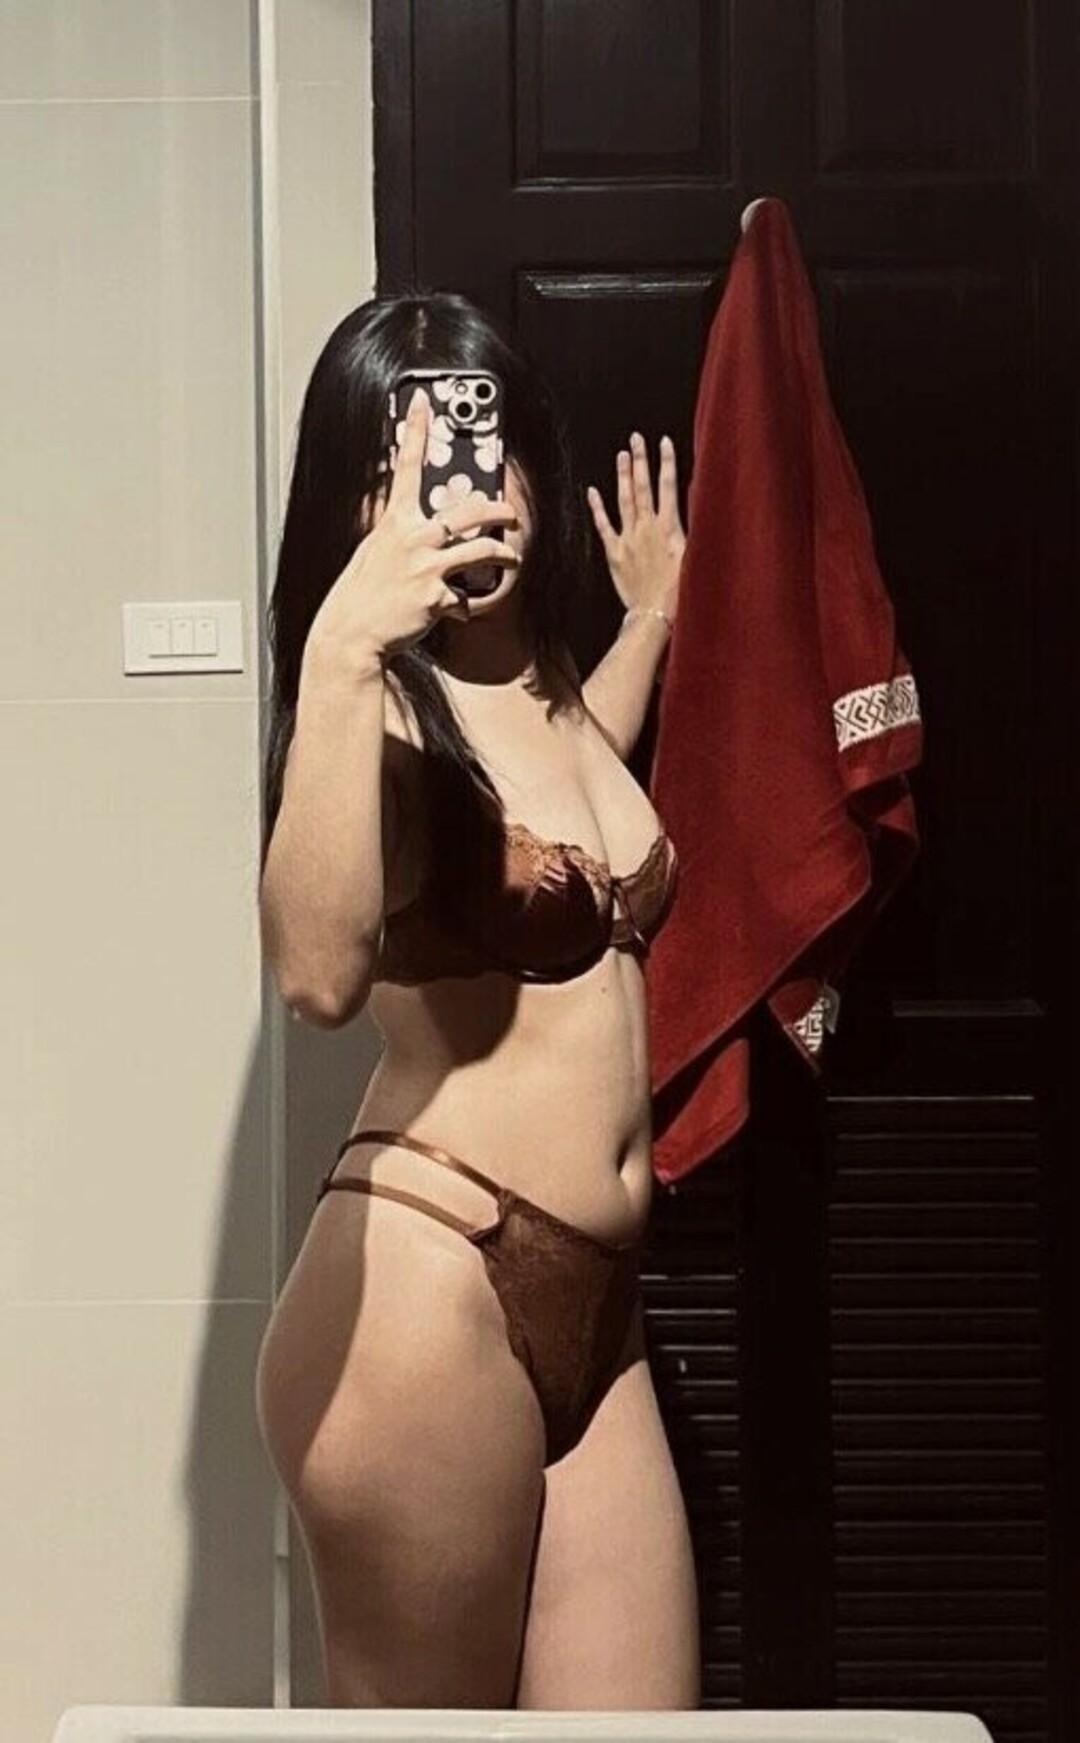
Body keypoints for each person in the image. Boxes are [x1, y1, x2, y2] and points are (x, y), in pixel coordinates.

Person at [255, 291, 700, 1710]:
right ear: (359, 500)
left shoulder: (545, 691)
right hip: (428, 1295)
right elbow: (315, 974)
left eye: (485, 437)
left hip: (603, 1318)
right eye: (413, 462)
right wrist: (340, 651)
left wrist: (654, 615)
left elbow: (572, 809)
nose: (471, 484)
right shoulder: (382, 715)